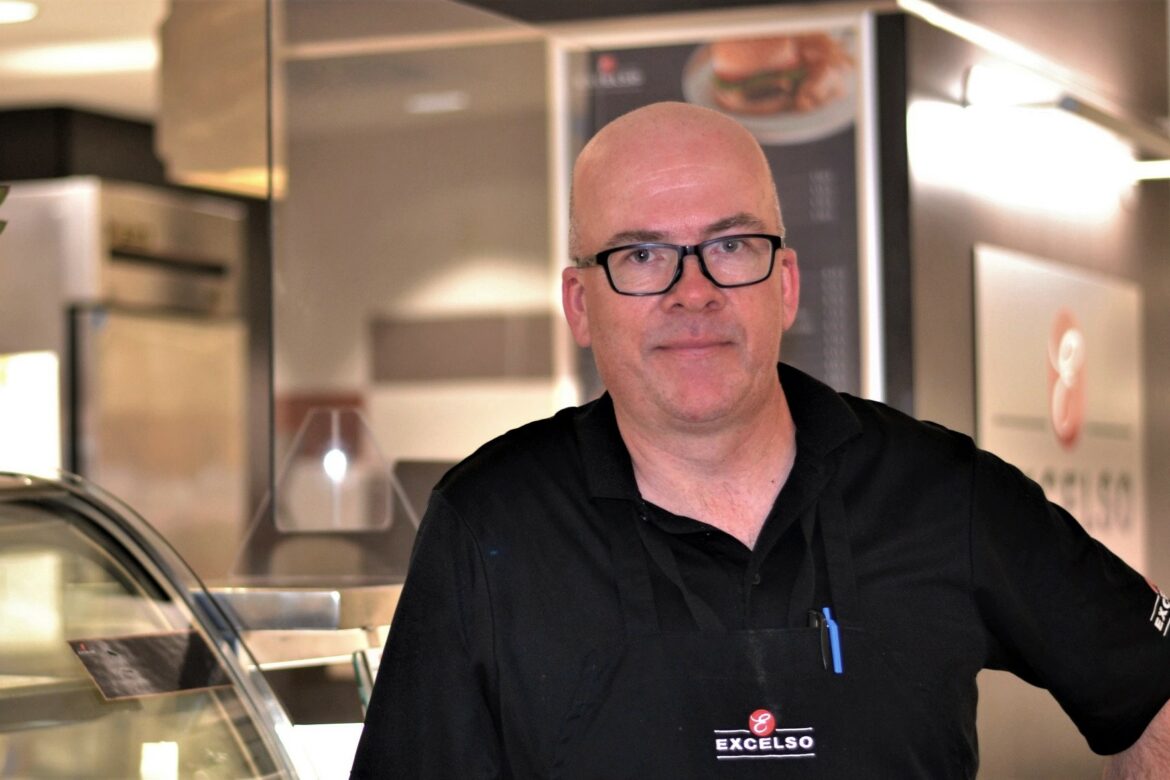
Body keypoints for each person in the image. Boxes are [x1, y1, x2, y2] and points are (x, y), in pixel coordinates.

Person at [351, 101, 1170, 777]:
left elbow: (1151, 687)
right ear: (579, 304)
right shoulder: (490, 525)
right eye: (642, 254)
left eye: (731, 246)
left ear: (786, 284)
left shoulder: (942, 492)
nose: (693, 291)